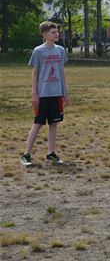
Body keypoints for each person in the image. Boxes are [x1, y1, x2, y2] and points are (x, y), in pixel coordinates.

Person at [20, 21, 69, 167]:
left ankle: (51, 154)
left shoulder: (60, 50)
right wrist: (34, 94)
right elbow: (34, 73)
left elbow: (62, 72)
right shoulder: (39, 51)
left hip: (56, 94)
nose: (57, 34)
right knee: (38, 123)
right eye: (53, 32)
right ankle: (26, 155)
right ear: (45, 34)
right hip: (42, 94)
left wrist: (65, 93)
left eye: (57, 32)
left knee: (54, 123)